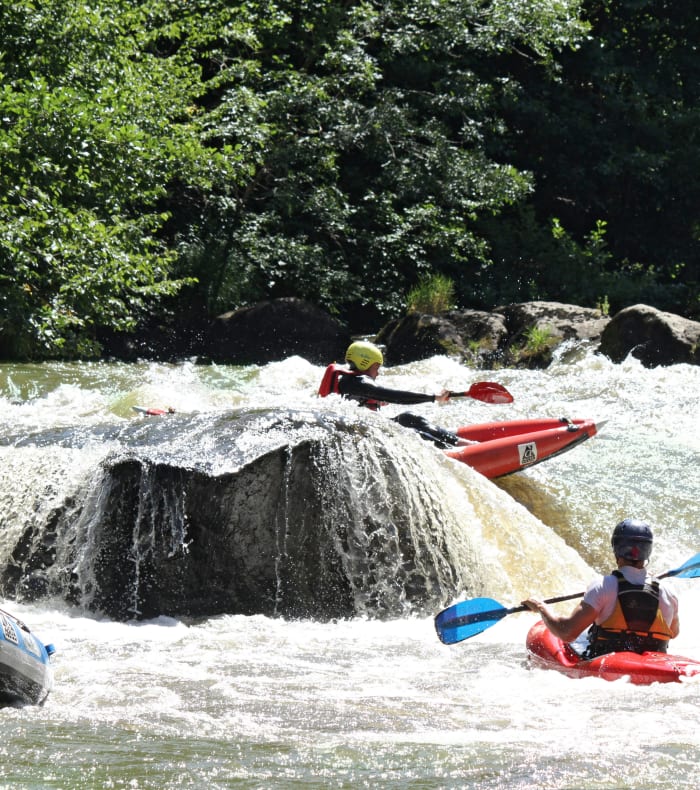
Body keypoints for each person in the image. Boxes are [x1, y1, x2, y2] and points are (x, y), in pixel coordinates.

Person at [522, 518, 680, 658]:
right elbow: (673, 633)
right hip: (652, 664)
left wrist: (541, 607)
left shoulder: (603, 586)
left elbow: (567, 633)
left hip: (608, 663)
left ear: (616, 547)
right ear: (648, 551)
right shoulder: (668, 592)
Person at [318, 340, 471, 448]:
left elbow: (358, 401)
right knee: (410, 432)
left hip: (359, 433)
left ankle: (462, 443)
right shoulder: (358, 382)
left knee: (408, 417)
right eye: (376, 367)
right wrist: (433, 397)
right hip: (360, 440)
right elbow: (397, 396)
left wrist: (375, 401)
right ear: (365, 363)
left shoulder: (348, 380)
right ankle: (462, 449)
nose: (377, 372)